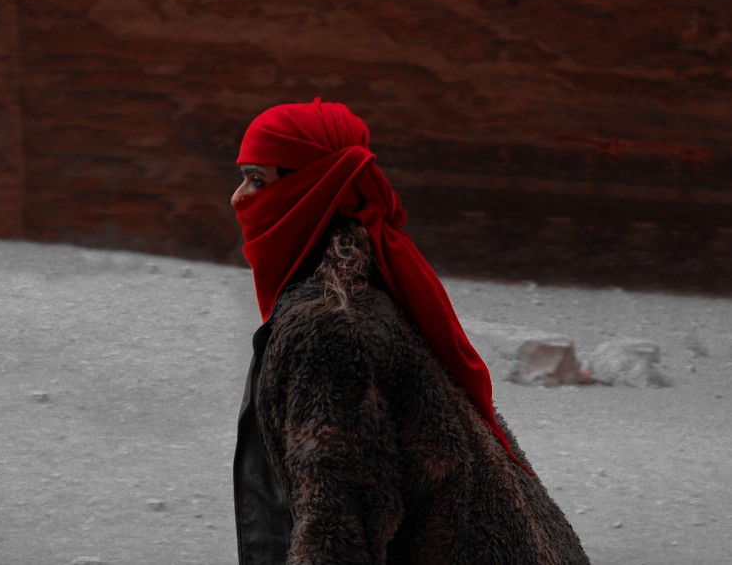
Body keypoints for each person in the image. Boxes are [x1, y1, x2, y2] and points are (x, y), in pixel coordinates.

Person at [231, 98, 589, 564]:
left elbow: (337, 533)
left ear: (311, 189)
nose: (238, 197)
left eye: (257, 179)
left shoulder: (329, 328)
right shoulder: (378, 283)